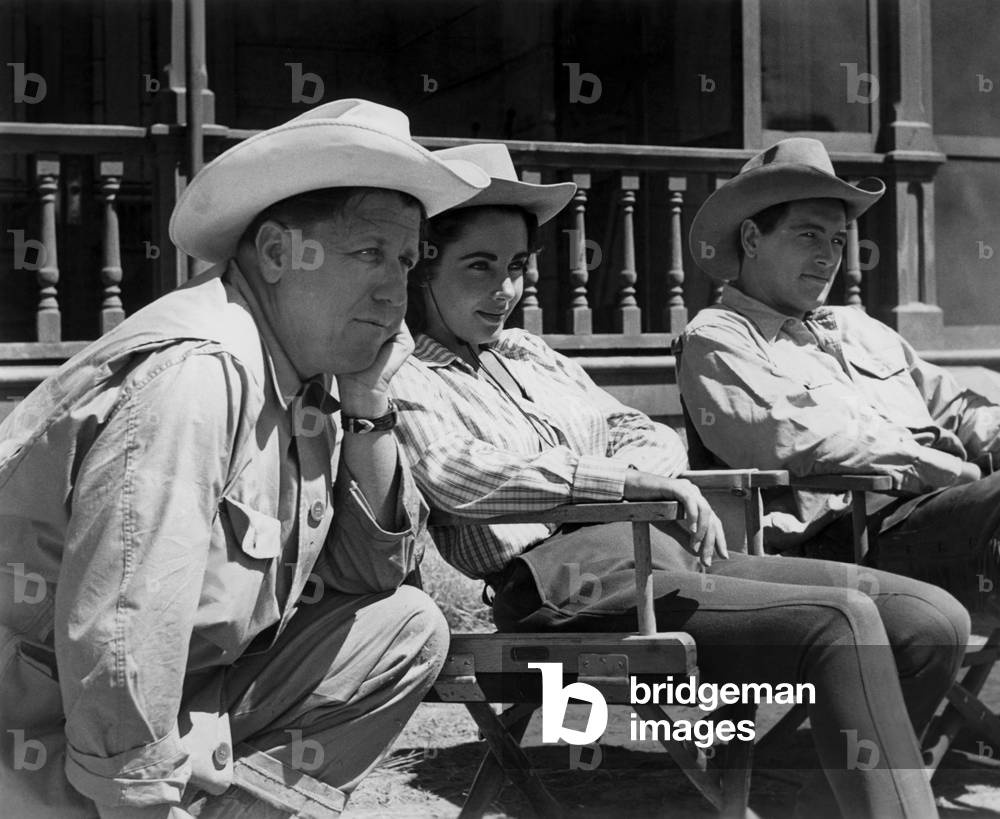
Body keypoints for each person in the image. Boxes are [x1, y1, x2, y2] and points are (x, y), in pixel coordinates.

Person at [388, 143, 970, 818]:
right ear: (424, 264)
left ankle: (828, 801)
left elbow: (646, 432)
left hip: (668, 560)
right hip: (567, 585)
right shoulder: (405, 372)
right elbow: (457, 474)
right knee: (840, 622)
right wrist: (616, 486)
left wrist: (631, 477)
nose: (505, 291)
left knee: (929, 619)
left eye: (516, 267)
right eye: (480, 266)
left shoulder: (529, 352)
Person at [0, 99, 490, 818]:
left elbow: (373, 573)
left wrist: (369, 404)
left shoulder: (309, 377)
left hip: (184, 702)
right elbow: (123, 631)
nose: (395, 290)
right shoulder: (198, 373)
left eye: (407, 260)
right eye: (367, 253)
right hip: (38, 740)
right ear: (275, 253)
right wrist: (139, 800)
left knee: (407, 630)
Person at [675, 137, 1000, 638]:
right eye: (809, 236)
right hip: (843, 547)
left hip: (937, 522)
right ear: (752, 238)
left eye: (837, 240)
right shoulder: (718, 339)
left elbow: (957, 407)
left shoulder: (856, 326)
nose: (828, 257)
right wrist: (942, 469)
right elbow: (797, 440)